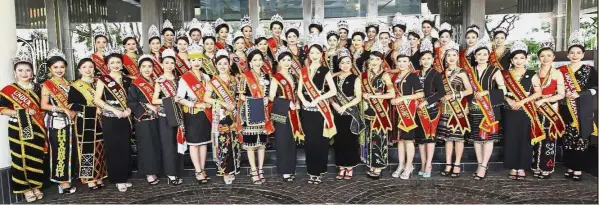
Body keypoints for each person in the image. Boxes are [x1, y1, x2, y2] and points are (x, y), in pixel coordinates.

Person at [0, 48, 46, 202]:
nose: (24, 73)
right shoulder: (8, 90)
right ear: (15, 72)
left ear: (32, 72)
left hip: (37, 127)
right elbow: (2, 109)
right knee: (20, 158)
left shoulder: (38, 88)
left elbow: (43, 107)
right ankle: (25, 189)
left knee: (36, 157)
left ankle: (36, 186)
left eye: (27, 70)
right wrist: (21, 112)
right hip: (18, 128)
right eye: (20, 70)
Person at [297, 38, 338, 184]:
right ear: (309, 54)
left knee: (321, 141)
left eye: (317, 53)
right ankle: (311, 171)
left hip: (320, 110)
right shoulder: (304, 70)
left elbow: (333, 90)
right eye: (312, 53)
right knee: (309, 141)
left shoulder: (325, 70)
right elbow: (300, 90)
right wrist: (304, 101)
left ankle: (319, 171)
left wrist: (318, 98)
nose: (314, 55)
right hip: (307, 110)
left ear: (321, 54)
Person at [558, 31, 597, 181]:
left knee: (581, 139)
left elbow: (595, 88)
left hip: (582, 108)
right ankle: (569, 166)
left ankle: (578, 169)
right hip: (566, 108)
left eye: (578, 52)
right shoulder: (561, 71)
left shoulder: (589, 70)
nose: (575, 55)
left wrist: (580, 94)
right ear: (568, 55)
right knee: (568, 139)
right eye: (572, 52)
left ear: (583, 54)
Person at [465, 37, 506, 180]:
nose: (482, 57)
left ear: (488, 55)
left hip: (489, 109)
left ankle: (483, 165)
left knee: (488, 138)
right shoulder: (469, 72)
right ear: (475, 56)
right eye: (479, 54)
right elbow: (467, 90)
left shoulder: (494, 70)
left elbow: (503, 90)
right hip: (474, 108)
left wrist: (487, 92)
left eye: (484, 54)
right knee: (477, 138)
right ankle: (480, 164)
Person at [501, 41, 543, 180]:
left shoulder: (532, 74)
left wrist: (522, 102)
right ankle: (513, 167)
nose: (519, 61)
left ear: (526, 59)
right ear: (511, 60)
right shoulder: (504, 74)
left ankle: (522, 167)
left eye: (522, 58)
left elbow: (538, 93)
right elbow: (499, 91)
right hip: (510, 109)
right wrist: (510, 101)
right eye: (516, 58)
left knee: (525, 138)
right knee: (511, 137)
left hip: (526, 110)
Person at [93, 47, 133, 192]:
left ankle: (124, 177)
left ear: (122, 64)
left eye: (118, 62)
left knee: (124, 147)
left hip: (125, 118)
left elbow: (132, 99)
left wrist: (129, 109)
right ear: (107, 65)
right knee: (113, 148)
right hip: (110, 118)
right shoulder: (103, 80)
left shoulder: (127, 80)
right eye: (112, 62)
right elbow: (97, 99)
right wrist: (114, 110)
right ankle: (117, 178)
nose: (116, 65)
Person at [40, 49, 77, 194]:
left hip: (70, 122)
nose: (59, 70)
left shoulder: (69, 83)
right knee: (59, 151)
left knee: (69, 150)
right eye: (55, 67)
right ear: (50, 68)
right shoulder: (47, 85)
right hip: (56, 122)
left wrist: (73, 111)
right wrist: (62, 109)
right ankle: (62, 182)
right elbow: (44, 105)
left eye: (62, 67)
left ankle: (67, 178)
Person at [204, 49, 242, 184]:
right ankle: (226, 172)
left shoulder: (234, 80)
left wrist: (236, 104)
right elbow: (206, 98)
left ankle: (234, 168)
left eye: (225, 63)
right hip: (220, 116)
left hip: (234, 115)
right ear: (216, 65)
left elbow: (239, 96)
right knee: (223, 143)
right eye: (220, 63)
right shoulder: (213, 82)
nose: (223, 66)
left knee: (234, 142)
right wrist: (222, 103)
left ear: (229, 64)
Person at [69, 58, 107, 189]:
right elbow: (72, 104)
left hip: (100, 120)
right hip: (84, 121)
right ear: (79, 70)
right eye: (84, 67)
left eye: (90, 67)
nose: (88, 69)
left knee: (100, 148)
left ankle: (99, 176)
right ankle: (90, 179)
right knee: (87, 149)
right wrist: (91, 109)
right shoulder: (75, 86)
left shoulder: (98, 83)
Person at [436, 40, 473, 178]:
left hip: (459, 109)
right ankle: (448, 164)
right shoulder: (441, 74)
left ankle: (456, 164)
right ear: (445, 58)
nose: (451, 58)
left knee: (458, 138)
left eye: (454, 55)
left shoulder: (462, 72)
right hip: (446, 109)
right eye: (448, 55)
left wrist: (456, 95)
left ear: (458, 57)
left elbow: (469, 90)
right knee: (448, 138)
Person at [269, 46, 305, 182]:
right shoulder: (275, 78)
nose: (286, 62)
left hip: (293, 112)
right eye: (283, 60)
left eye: (289, 59)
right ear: (279, 61)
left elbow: (296, 92)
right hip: (280, 112)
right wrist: (286, 102)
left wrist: (297, 102)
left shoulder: (293, 76)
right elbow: (272, 97)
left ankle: (291, 169)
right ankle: (284, 171)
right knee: (282, 141)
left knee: (291, 141)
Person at [177, 45, 213, 184]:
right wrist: (195, 104)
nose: (197, 62)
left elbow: (210, 94)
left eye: (199, 59)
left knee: (204, 143)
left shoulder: (206, 77)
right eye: (193, 60)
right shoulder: (185, 78)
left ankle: (202, 169)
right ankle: (197, 170)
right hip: (192, 115)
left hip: (205, 114)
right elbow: (179, 98)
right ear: (189, 62)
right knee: (194, 144)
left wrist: (209, 103)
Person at [531, 37, 566, 179]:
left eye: (549, 55)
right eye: (542, 56)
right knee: (536, 136)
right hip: (536, 108)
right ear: (539, 57)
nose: (545, 58)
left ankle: (547, 167)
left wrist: (545, 100)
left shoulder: (557, 73)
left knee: (549, 138)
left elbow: (561, 94)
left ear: (554, 57)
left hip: (551, 109)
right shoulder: (535, 73)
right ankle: (536, 166)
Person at [361, 42, 396, 179]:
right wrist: (364, 96)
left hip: (380, 110)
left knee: (379, 138)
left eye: (377, 59)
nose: (374, 62)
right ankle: (370, 164)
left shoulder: (385, 75)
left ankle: (378, 166)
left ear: (382, 61)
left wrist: (375, 95)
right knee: (370, 138)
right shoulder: (364, 76)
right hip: (368, 109)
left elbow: (391, 94)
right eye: (372, 59)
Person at [240, 46, 274, 184]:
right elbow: (241, 96)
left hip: (264, 112)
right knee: (251, 144)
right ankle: (253, 170)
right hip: (251, 111)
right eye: (255, 60)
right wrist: (255, 101)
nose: (258, 62)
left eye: (260, 59)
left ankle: (261, 169)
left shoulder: (266, 76)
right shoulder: (245, 76)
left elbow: (270, 94)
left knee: (261, 143)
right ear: (250, 62)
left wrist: (266, 99)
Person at [390, 42, 424, 180]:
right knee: (400, 140)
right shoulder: (395, 77)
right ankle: (401, 164)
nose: (402, 63)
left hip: (408, 112)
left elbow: (420, 94)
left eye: (405, 61)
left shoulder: (413, 76)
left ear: (409, 62)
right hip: (397, 112)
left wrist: (403, 98)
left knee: (409, 140)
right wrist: (393, 99)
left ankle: (409, 166)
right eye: (399, 61)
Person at [151, 49, 185, 185]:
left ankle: (177, 171)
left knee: (178, 143)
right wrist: (171, 99)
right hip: (166, 116)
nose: (170, 65)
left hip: (179, 114)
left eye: (172, 63)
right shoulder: (160, 80)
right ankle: (171, 175)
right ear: (162, 64)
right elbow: (154, 100)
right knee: (168, 145)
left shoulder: (179, 79)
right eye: (167, 63)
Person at [413, 38, 445, 178]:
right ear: (419, 61)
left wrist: (426, 102)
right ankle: (423, 162)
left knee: (430, 137)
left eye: (428, 58)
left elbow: (441, 92)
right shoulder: (416, 74)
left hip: (431, 109)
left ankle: (429, 164)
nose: (426, 61)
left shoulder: (436, 74)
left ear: (433, 60)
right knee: (420, 138)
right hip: (417, 110)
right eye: (423, 59)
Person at [127, 55, 161, 185]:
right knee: (146, 146)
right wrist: (147, 106)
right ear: (139, 68)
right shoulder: (135, 84)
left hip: (157, 119)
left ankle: (157, 168)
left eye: (150, 66)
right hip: (144, 120)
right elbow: (132, 102)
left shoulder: (156, 81)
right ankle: (149, 173)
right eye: (144, 66)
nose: (147, 69)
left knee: (156, 145)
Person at [330, 48, 363, 180]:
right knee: (339, 140)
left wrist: (344, 106)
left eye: (348, 62)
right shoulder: (334, 78)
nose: (345, 65)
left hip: (350, 113)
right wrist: (335, 105)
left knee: (350, 140)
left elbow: (358, 97)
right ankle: (341, 166)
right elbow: (330, 95)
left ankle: (349, 167)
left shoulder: (356, 78)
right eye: (343, 63)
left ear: (351, 63)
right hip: (337, 112)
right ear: (339, 64)